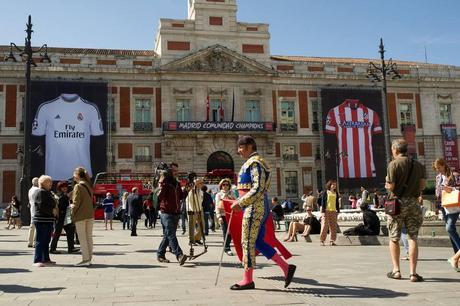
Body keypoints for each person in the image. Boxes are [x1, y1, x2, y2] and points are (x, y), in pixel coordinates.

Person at [230, 136, 296, 290]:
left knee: (246, 241)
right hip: (258, 206)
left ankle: (247, 279)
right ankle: (286, 268)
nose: (238, 151)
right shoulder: (256, 162)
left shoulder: (255, 162)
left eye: (240, 147)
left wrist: (241, 203)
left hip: (254, 207)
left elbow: (257, 188)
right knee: (258, 242)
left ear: (249, 147)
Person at [385, 139, 425, 282]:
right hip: (413, 203)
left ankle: (396, 270)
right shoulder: (418, 164)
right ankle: (413, 273)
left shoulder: (393, 164)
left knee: (394, 237)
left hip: (397, 204)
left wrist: (387, 184)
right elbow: (422, 185)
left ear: (396, 150)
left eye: (392, 149)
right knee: (413, 236)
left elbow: (391, 186)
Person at [157, 162, 188, 265]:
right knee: (171, 234)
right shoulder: (165, 183)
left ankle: (160, 254)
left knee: (167, 235)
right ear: (169, 171)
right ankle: (179, 255)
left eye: (177, 171)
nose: (176, 173)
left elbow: (180, 197)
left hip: (175, 212)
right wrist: (161, 184)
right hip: (165, 212)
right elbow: (159, 197)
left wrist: (187, 189)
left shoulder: (177, 183)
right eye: (174, 171)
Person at [433, 158, 460, 254]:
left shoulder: (454, 175)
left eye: (439, 167)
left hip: (453, 205)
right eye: (436, 168)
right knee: (450, 231)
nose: (438, 170)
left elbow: (458, 188)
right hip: (443, 206)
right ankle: (457, 254)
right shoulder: (438, 178)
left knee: (449, 228)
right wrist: (436, 207)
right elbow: (437, 193)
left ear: (444, 165)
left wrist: (451, 188)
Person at [72, 167, 95, 267]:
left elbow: (76, 203)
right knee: (89, 237)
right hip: (90, 215)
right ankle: (89, 258)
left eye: (74, 173)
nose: (73, 175)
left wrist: (72, 212)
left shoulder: (78, 186)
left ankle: (85, 259)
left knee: (82, 238)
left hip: (81, 215)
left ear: (77, 175)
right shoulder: (88, 185)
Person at [32, 175, 56, 267]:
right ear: (43, 183)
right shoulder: (41, 192)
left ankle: (46, 259)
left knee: (46, 241)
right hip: (42, 219)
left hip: (48, 219)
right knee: (41, 240)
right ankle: (37, 259)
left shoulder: (47, 192)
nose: (51, 183)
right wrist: (52, 210)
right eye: (48, 182)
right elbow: (41, 206)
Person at [50, 181, 78, 254]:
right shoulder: (60, 195)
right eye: (63, 187)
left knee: (69, 231)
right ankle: (53, 248)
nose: (65, 188)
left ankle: (70, 248)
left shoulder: (62, 194)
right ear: (60, 188)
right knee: (58, 233)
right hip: (61, 216)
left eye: (66, 187)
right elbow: (61, 204)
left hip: (65, 216)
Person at [215, 178, 235, 256]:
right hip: (223, 215)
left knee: (231, 232)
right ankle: (227, 248)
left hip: (231, 215)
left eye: (227, 185)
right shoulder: (219, 194)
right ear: (221, 186)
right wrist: (219, 216)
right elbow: (217, 206)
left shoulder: (232, 193)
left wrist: (231, 198)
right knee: (226, 231)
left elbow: (236, 202)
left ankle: (226, 245)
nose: (225, 186)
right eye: (224, 184)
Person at [319, 180, 340, 246]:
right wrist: (323, 211)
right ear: (330, 185)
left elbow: (337, 203)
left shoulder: (336, 193)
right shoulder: (326, 192)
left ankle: (332, 240)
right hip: (326, 210)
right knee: (324, 225)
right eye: (333, 184)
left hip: (333, 211)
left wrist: (338, 210)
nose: (334, 186)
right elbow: (323, 202)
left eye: (335, 185)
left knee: (333, 226)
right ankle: (322, 240)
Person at [186, 178, 205, 244]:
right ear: (196, 184)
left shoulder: (201, 191)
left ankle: (197, 238)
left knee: (202, 225)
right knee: (191, 225)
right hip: (192, 210)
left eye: (202, 183)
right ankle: (191, 240)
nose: (202, 184)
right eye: (200, 183)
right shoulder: (191, 191)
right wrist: (194, 211)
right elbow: (189, 202)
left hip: (200, 209)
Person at [27, 177, 40, 247]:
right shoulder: (38, 190)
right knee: (37, 227)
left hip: (32, 209)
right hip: (37, 210)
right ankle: (35, 242)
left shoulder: (30, 190)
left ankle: (30, 242)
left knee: (32, 226)